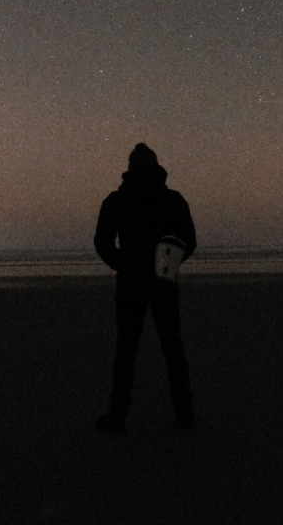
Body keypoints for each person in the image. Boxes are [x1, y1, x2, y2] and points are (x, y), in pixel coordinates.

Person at [93, 143, 197, 435]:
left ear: (131, 167)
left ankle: (118, 415)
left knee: (128, 349)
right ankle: (184, 413)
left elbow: (102, 243)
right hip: (161, 282)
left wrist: (124, 265)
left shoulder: (117, 200)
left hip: (133, 283)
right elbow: (188, 240)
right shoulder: (172, 199)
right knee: (171, 348)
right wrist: (168, 266)